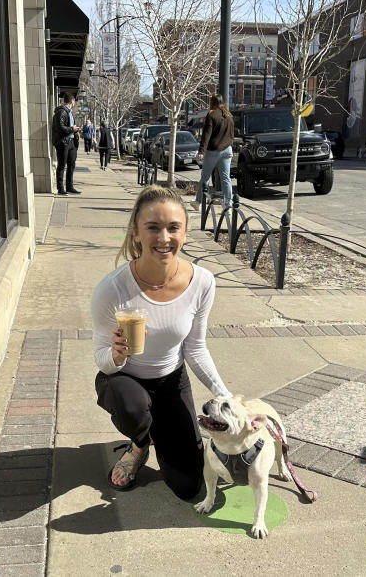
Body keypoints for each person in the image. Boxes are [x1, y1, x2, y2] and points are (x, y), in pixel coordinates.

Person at [92, 185, 231, 498]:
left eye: (173, 228)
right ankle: (141, 443)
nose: (164, 238)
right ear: (136, 233)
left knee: (188, 486)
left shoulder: (203, 282)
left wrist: (225, 396)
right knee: (133, 406)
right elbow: (100, 357)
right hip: (124, 380)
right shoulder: (111, 290)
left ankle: (160, 431)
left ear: (185, 231)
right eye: (153, 228)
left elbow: (195, 348)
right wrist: (115, 356)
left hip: (171, 380)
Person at [196, 93, 235, 209]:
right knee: (226, 178)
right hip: (227, 149)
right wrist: (229, 144)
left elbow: (206, 135)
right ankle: (228, 204)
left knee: (205, 177)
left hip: (214, 150)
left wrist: (201, 151)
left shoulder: (211, 114)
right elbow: (232, 135)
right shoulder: (229, 116)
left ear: (212, 102)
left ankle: (198, 202)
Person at [52, 92, 81, 195]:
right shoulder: (61, 112)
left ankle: (70, 187)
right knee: (62, 165)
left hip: (71, 142)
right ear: (72, 101)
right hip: (63, 142)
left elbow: (68, 126)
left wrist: (75, 129)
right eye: (74, 101)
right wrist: (71, 129)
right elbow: (60, 128)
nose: (74, 103)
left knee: (71, 164)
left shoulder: (69, 112)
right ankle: (61, 188)